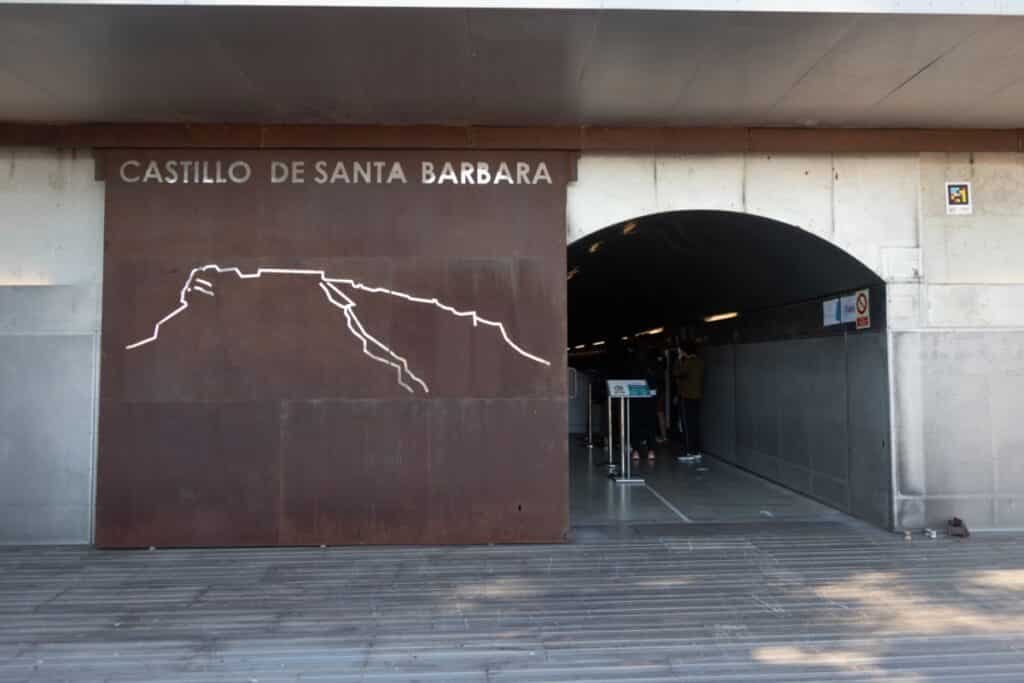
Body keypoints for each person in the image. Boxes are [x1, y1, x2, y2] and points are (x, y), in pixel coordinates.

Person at [674, 340, 705, 458]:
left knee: (686, 424)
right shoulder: (700, 361)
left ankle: (689, 451)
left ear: (684, 351)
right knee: (695, 423)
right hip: (697, 396)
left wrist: (678, 359)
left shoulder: (687, 363)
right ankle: (696, 450)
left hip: (686, 397)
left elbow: (676, 372)